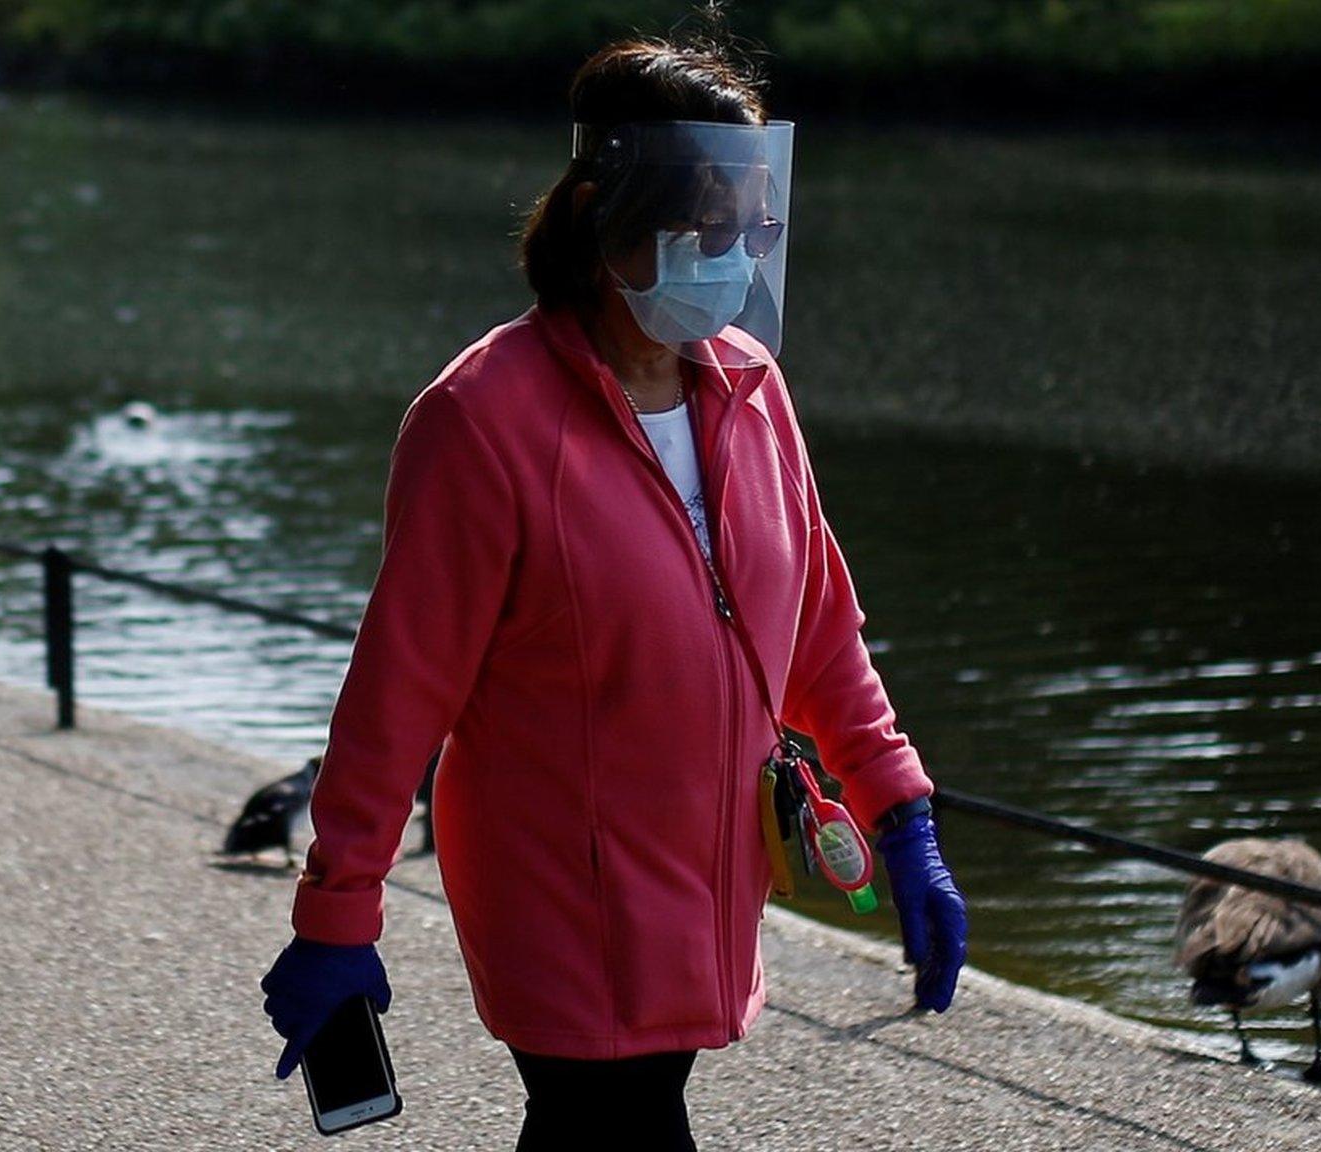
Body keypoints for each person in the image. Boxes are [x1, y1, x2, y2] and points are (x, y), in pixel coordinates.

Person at [260, 35, 968, 1150]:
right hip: (560, 886)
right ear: (605, 214)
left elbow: (818, 632)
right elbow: (396, 694)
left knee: (625, 1119)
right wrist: (338, 910)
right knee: (612, 1120)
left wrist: (902, 814)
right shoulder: (481, 418)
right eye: (704, 224)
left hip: (709, 873)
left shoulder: (749, 385)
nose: (733, 252)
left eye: (752, 221)